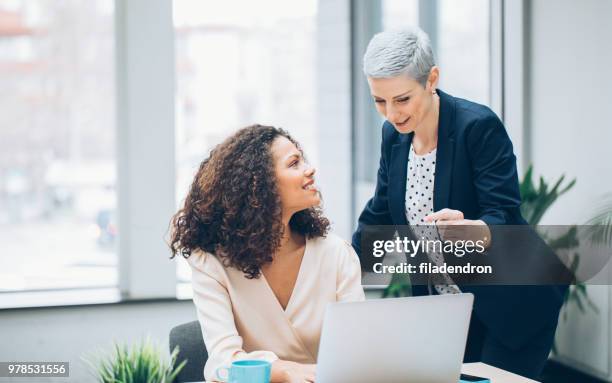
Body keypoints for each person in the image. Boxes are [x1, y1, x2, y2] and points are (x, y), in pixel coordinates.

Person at [351, 27, 566, 379]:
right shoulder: (393, 135)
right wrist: (335, 265)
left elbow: (504, 212)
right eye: (379, 101)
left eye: (402, 99)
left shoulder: (476, 126)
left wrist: (477, 230)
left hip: (512, 300)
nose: (391, 113)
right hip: (451, 307)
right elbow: (378, 213)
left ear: (431, 79)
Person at [170, 125, 365, 383]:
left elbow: (359, 352)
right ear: (258, 184)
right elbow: (222, 364)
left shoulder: (337, 253)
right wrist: (283, 371)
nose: (309, 169)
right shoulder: (211, 261)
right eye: (294, 163)